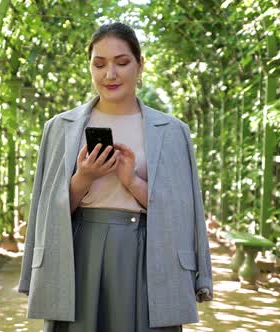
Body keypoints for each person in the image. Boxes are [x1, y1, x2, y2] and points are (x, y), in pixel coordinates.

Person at [18, 22, 213, 332]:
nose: (110, 74)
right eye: (99, 64)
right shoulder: (60, 127)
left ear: (140, 65)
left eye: (122, 62)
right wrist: (84, 177)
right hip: (80, 251)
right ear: (90, 68)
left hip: (150, 252)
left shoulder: (173, 131)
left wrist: (131, 180)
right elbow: (44, 211)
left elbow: (184, 211)